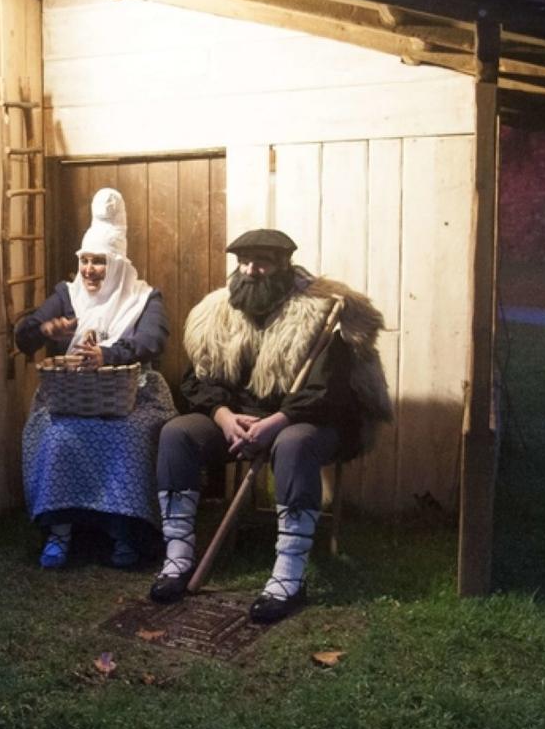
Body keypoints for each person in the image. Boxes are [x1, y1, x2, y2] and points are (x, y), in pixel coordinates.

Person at [148, 228, 392, 622]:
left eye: (261, 261)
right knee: (177, 434)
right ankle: (177, 560)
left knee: (293, 444)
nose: (250, 270)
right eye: (243, 261)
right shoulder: (218, 312)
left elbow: (328, 391)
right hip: (239, 420)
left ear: (284, 266)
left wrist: (277, 422)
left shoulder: (319, 312)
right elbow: (199, 378)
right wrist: (223, 417)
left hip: (310, 422)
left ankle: (289, 578)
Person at [16, 188, 176, 569]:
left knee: (128, 435)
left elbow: (153, 341)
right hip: (72, 395)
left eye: (99, 262)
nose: (89, 270)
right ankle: (60, 531)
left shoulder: (143, 298)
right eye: (85, 261)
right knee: (57, 434)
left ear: (117, 265)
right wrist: (44, 331)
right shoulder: (67, 295)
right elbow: (24, 335)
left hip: (131, 395)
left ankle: (124, 530)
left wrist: (110, 354)